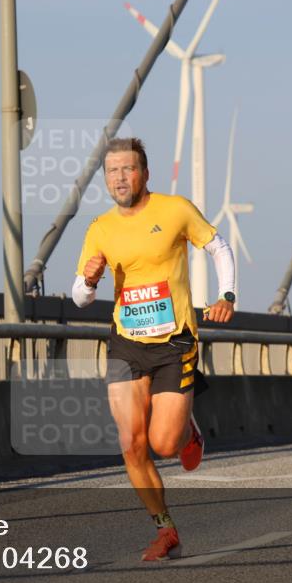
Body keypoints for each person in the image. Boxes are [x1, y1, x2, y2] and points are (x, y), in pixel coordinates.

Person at [72, 137, 236, 561]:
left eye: (128, 169)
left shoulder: (175, 210)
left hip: (174, 343)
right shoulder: (100, 228)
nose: (120, 177)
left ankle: (187, 430)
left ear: (145, 173)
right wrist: (89, 281)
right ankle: (166, 531)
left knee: (163, 445)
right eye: (112, 171)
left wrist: (228, 296)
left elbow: (218, 247)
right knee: (131, 443)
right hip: (126, 344)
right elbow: (80, 298)